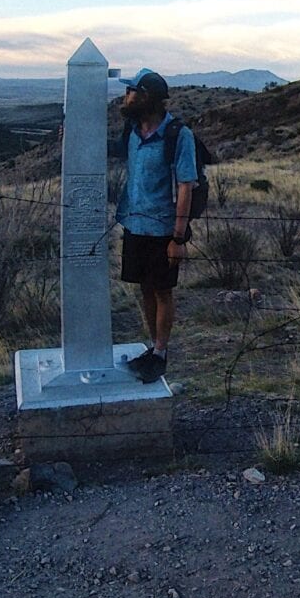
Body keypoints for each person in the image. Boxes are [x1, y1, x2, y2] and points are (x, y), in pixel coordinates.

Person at [115, 68, 197, 383]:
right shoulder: (132, 132)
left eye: (131, 92)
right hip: (134, 225)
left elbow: (185, 186)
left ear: (146, 96)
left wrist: (178, 237)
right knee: (145, 288)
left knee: (162, 291)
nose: (126, 98)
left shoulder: (178, 134)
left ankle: (161, 353)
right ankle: (153, 349)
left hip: (163, 230)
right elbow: (114, 153)